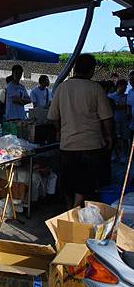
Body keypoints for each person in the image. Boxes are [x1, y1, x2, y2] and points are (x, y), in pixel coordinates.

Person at [48, 54, 113, 206]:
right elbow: (106, 118)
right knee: (86, 181)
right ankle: (76, 209)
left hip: (68, 144)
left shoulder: (62, 88)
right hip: (91, 145)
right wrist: (109, 136)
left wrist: (59, 131)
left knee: (69, 180)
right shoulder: (95, 88)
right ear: (91, 69)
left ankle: (70, 209)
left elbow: (53, 117)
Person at [109, 78, 129, 163]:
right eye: (124, 87)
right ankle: (114, 155)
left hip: (125, 121)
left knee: (125, 139)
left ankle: (123, 156)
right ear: (119, 86)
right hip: (114, 121)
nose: (125, 89)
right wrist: (122, 106)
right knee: (116, 139)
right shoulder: (110, 96)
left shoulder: (127, 96)